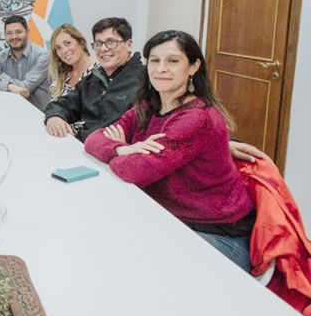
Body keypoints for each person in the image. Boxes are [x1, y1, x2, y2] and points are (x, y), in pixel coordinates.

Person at [84, 30, 256, 271]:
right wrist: (124, 149)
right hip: (171, 219)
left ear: (194, 66)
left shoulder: (197, 119)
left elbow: (135, 171)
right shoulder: (147, 107)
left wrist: (122, 154)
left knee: (133, 264)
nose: (161, 68)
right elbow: (93, 139)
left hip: (216, 235)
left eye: (173, 61)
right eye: (154, 60)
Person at [44, 17, 145, 141]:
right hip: (82, 148)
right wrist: (54, 116)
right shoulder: (93, 79)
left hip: (113, 154)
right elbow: (63, 103)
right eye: (98, 44)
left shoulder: (145, 81)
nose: (103, 49)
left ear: (129, 45)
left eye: (111, 42)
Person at [0, 15, 51, 111]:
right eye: (9, 33)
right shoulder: (0, 56)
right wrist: (10, 86)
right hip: (10, 111)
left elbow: (26, 87)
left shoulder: (42, 56)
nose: (14, 37)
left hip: (38, 114)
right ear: (5, 35)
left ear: (27, 32)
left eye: (18, 32)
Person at [48, 23, 96, 99]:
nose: (64, 51)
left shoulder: (101, 71)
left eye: (68, 43)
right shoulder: (57, 85)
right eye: (58, 48)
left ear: (81, 42)